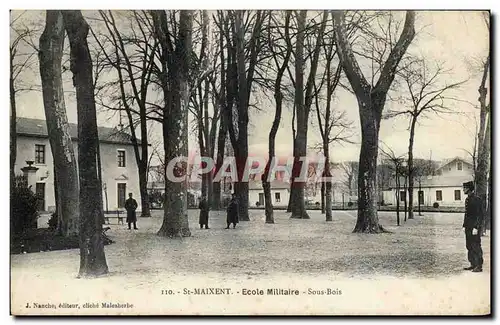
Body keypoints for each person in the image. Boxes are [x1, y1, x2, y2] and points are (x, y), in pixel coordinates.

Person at [462, 181, 484, 272]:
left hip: (474, 227)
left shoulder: (476, 199)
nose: (463, 190)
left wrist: (476, 227)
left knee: (476, 246)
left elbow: (480, 215)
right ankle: (473, 264)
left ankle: (479, 266)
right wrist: (464, 225)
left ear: (469, 189)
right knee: (469, 245)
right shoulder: (468, 199)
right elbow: (467, 214)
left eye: (464, 188)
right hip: (468, 227)